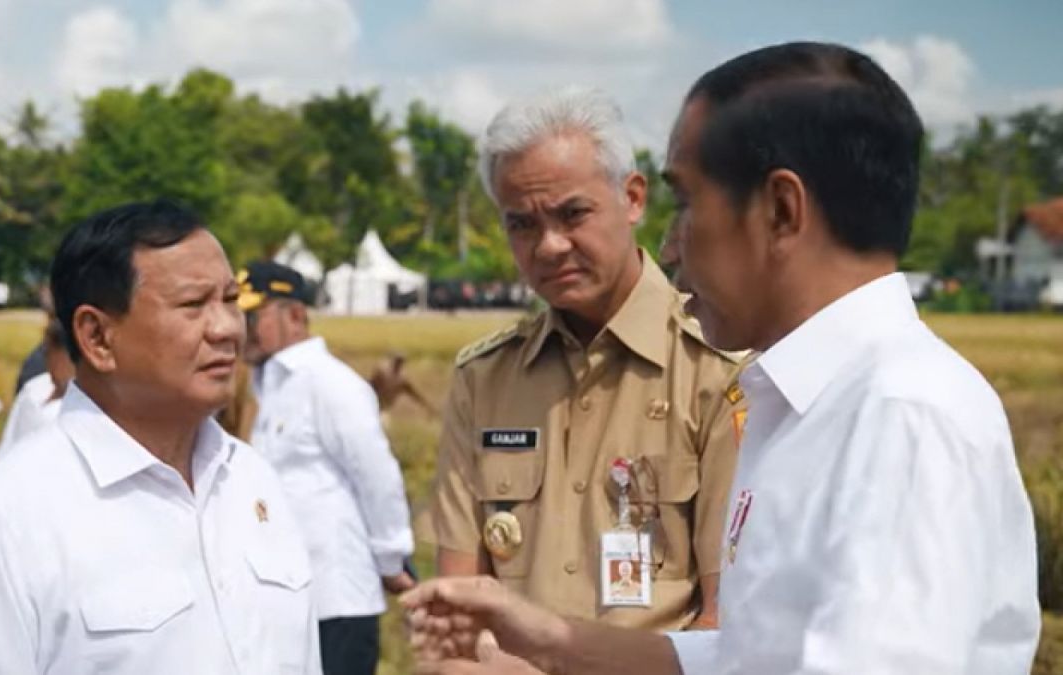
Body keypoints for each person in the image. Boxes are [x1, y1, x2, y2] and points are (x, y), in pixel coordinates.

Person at [402, 41, 1040, 675]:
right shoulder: (802, 402)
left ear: (781, 211)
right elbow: (746, 656)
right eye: (521, 223)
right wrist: (558, 643)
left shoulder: (900, 418)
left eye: (686, 203)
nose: (672, 245)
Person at [0, 200, 320, 673]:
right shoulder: (0, 520)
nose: (226, 328)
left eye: (230, 300)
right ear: (98, 337)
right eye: (192, 305)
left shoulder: (253, 480)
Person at [428, 86, 745, 634]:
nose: (549, 246)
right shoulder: (484, 378)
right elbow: (457, 609)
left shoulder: (717, 370)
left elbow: (728, 618)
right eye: (522, 224)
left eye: (573, 214)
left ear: (634, 198)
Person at [239, 259, 415, 675]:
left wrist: (391, 560)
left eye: (253, 317)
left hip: (337, 598)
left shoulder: (329, 383)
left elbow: (376, 476)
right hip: (289, 599)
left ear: (295, 316)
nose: (241, 330)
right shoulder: (269, 386)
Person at [0, 319, 74, 453]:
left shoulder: (81, 409)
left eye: (48, 353)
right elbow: (7, 444)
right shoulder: (34, 389)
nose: (47, 363)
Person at [368, 352, 436, 418]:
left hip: (383, 408)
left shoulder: (401, 380)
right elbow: (370, 385)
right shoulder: (382, 373)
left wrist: (428, 407)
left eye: (399, 362)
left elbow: (414, 395)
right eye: (397, 362)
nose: (397, 364)